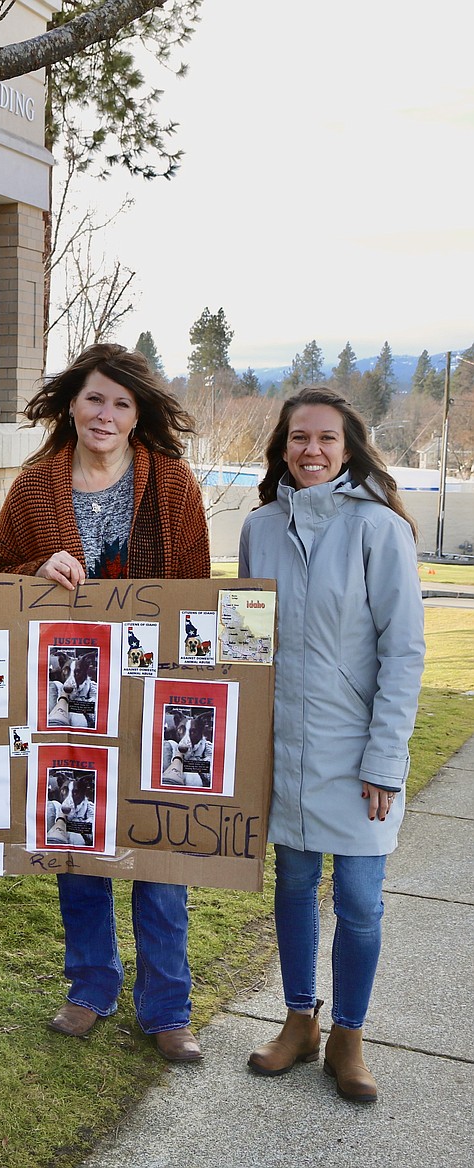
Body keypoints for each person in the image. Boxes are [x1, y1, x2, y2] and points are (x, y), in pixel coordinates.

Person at [0, 341, 210, 1062]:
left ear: (138, 410)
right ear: (71, 405)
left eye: (121, 402)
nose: (106, 414)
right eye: (94, 399)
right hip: (67, 696)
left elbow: (196, 591)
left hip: (152, 695)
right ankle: (90, 988)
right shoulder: (33, 487)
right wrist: (33, 567)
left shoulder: (173, 485)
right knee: (76, 840)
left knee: (159, 856)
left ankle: (167, 1008)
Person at [240, 387, 425, 1103]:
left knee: (359, 900)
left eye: (325, 439)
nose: (310, 450)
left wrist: (384, 758)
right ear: (281, 448)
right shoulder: (260, 526)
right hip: (286, 748)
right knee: (291, 884)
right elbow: (246, 641)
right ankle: (299, 1020)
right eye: (297, 439)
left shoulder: (381, 529)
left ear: (348, 448)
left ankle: (348, 1035)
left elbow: (404, 653)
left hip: (359, 750)